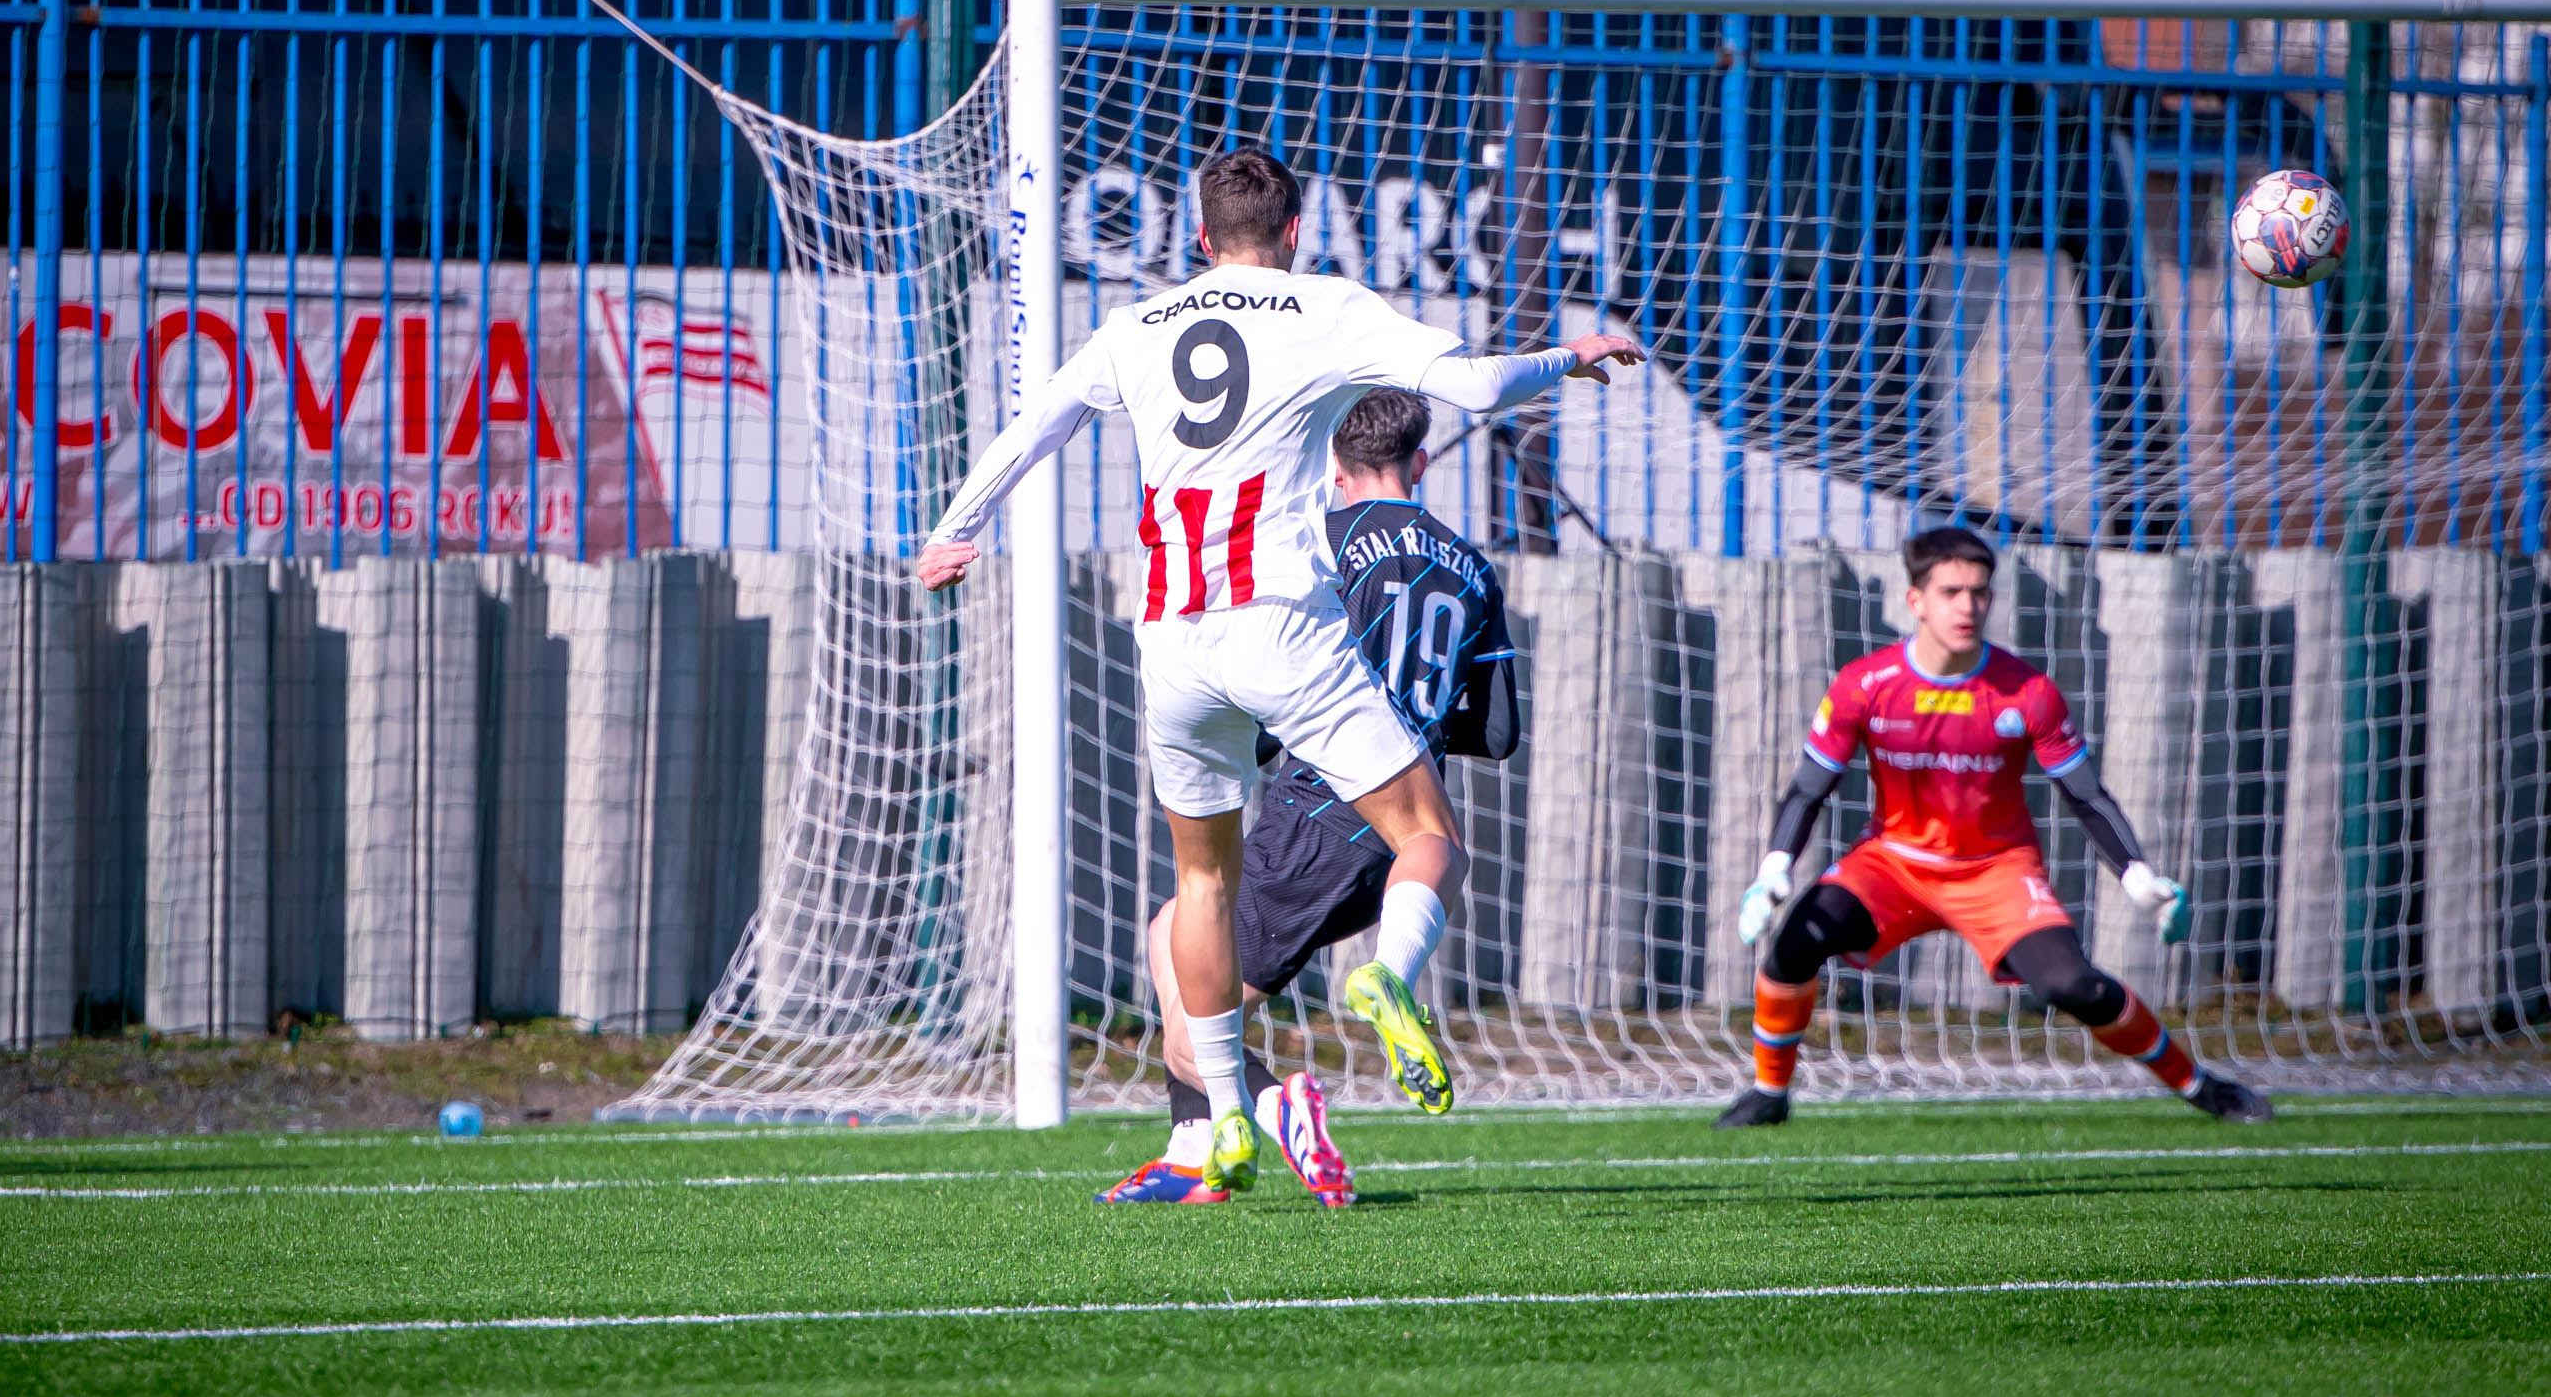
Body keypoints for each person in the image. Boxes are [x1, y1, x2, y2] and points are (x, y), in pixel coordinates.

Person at [917, 148, 1640, 1195]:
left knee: (1200, 882)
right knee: (1426, 836)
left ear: (1199, 241)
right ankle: (1389, 977)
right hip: (1284, 630)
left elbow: (1039, 424)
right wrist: (1566, 355)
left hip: (1172, 640)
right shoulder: (1322, 306)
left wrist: (956, 530)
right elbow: (1479, 381)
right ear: (1294, 230)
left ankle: (1221, 1123)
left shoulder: (1132, 329)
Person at [1101, 386, 1523, 1206]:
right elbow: (1499, 733)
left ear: (1331, 466)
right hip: (1401, 834)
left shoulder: (1321, 542)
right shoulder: (1473, 564)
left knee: (1192, 1015)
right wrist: (1422, 723)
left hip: (1320, 806)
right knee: (1175, 936)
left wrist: (1251, 740)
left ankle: (1273, 1109)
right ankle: (1198, 1150)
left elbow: (1276, 667)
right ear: (1420, 462)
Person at [1717, 525, 2271, 1128]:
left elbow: (2084, 793)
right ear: (1916, 601)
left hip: (1996, 870)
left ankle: (2199, 1085)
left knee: (2072, 987)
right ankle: (1768, 1094)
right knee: (1798, 940)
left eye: (1979, 592)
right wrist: (1774, 869)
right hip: (1892, 863)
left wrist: (2138, 876)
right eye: (1951, 591)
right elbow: (1808, 786)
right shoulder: (1865, 686)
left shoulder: (2027, 691)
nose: (1968, 606)